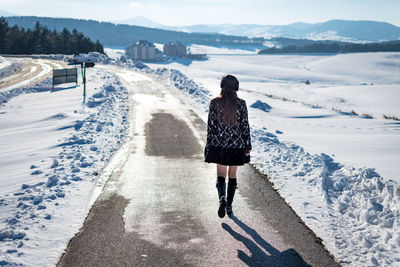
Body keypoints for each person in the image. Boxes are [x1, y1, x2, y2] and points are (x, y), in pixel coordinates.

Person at [204, 74, 251, 218]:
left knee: (220, 175)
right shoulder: (241, 104)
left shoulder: (214, 103)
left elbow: (211, 127)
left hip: (220, 145)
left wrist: (209, 145)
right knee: (232, 176)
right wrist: (247, 146)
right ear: (236, 87)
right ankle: (229, 206)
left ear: (222, 86)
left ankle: (222, 198)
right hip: (237, 146)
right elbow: (245, 127)